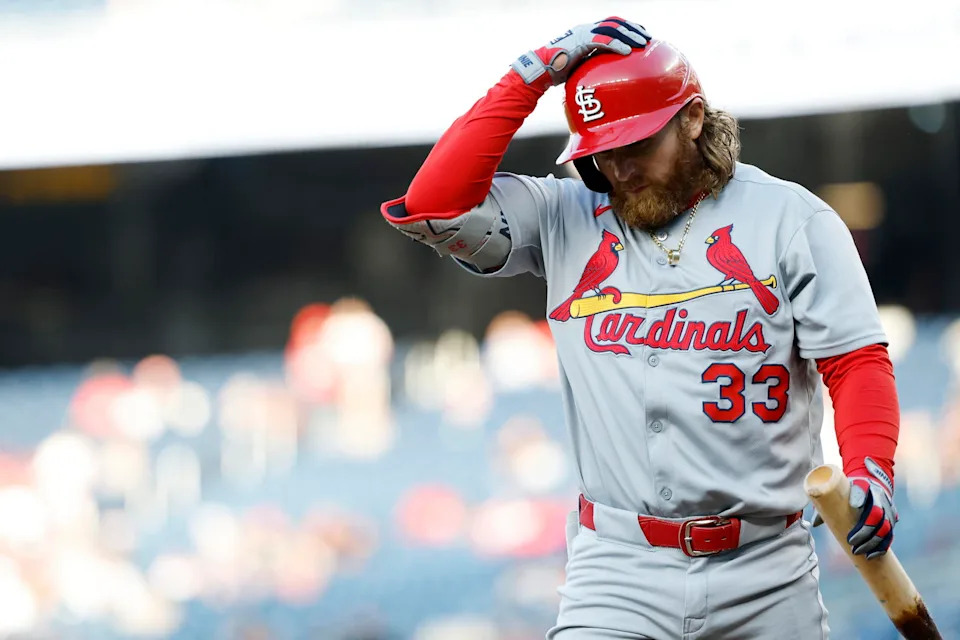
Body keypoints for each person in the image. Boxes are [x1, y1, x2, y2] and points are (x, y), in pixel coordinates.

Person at [381, 18, 900, 639]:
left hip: (765, 569)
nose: (619, 168)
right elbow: (436, 204)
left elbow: (856, 361)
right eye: (601, 152)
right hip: (617, 570)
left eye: (637, 145)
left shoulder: (789, 219)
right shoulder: (564, 213)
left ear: (693, 118)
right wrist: (531, 75)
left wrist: (871, 469)